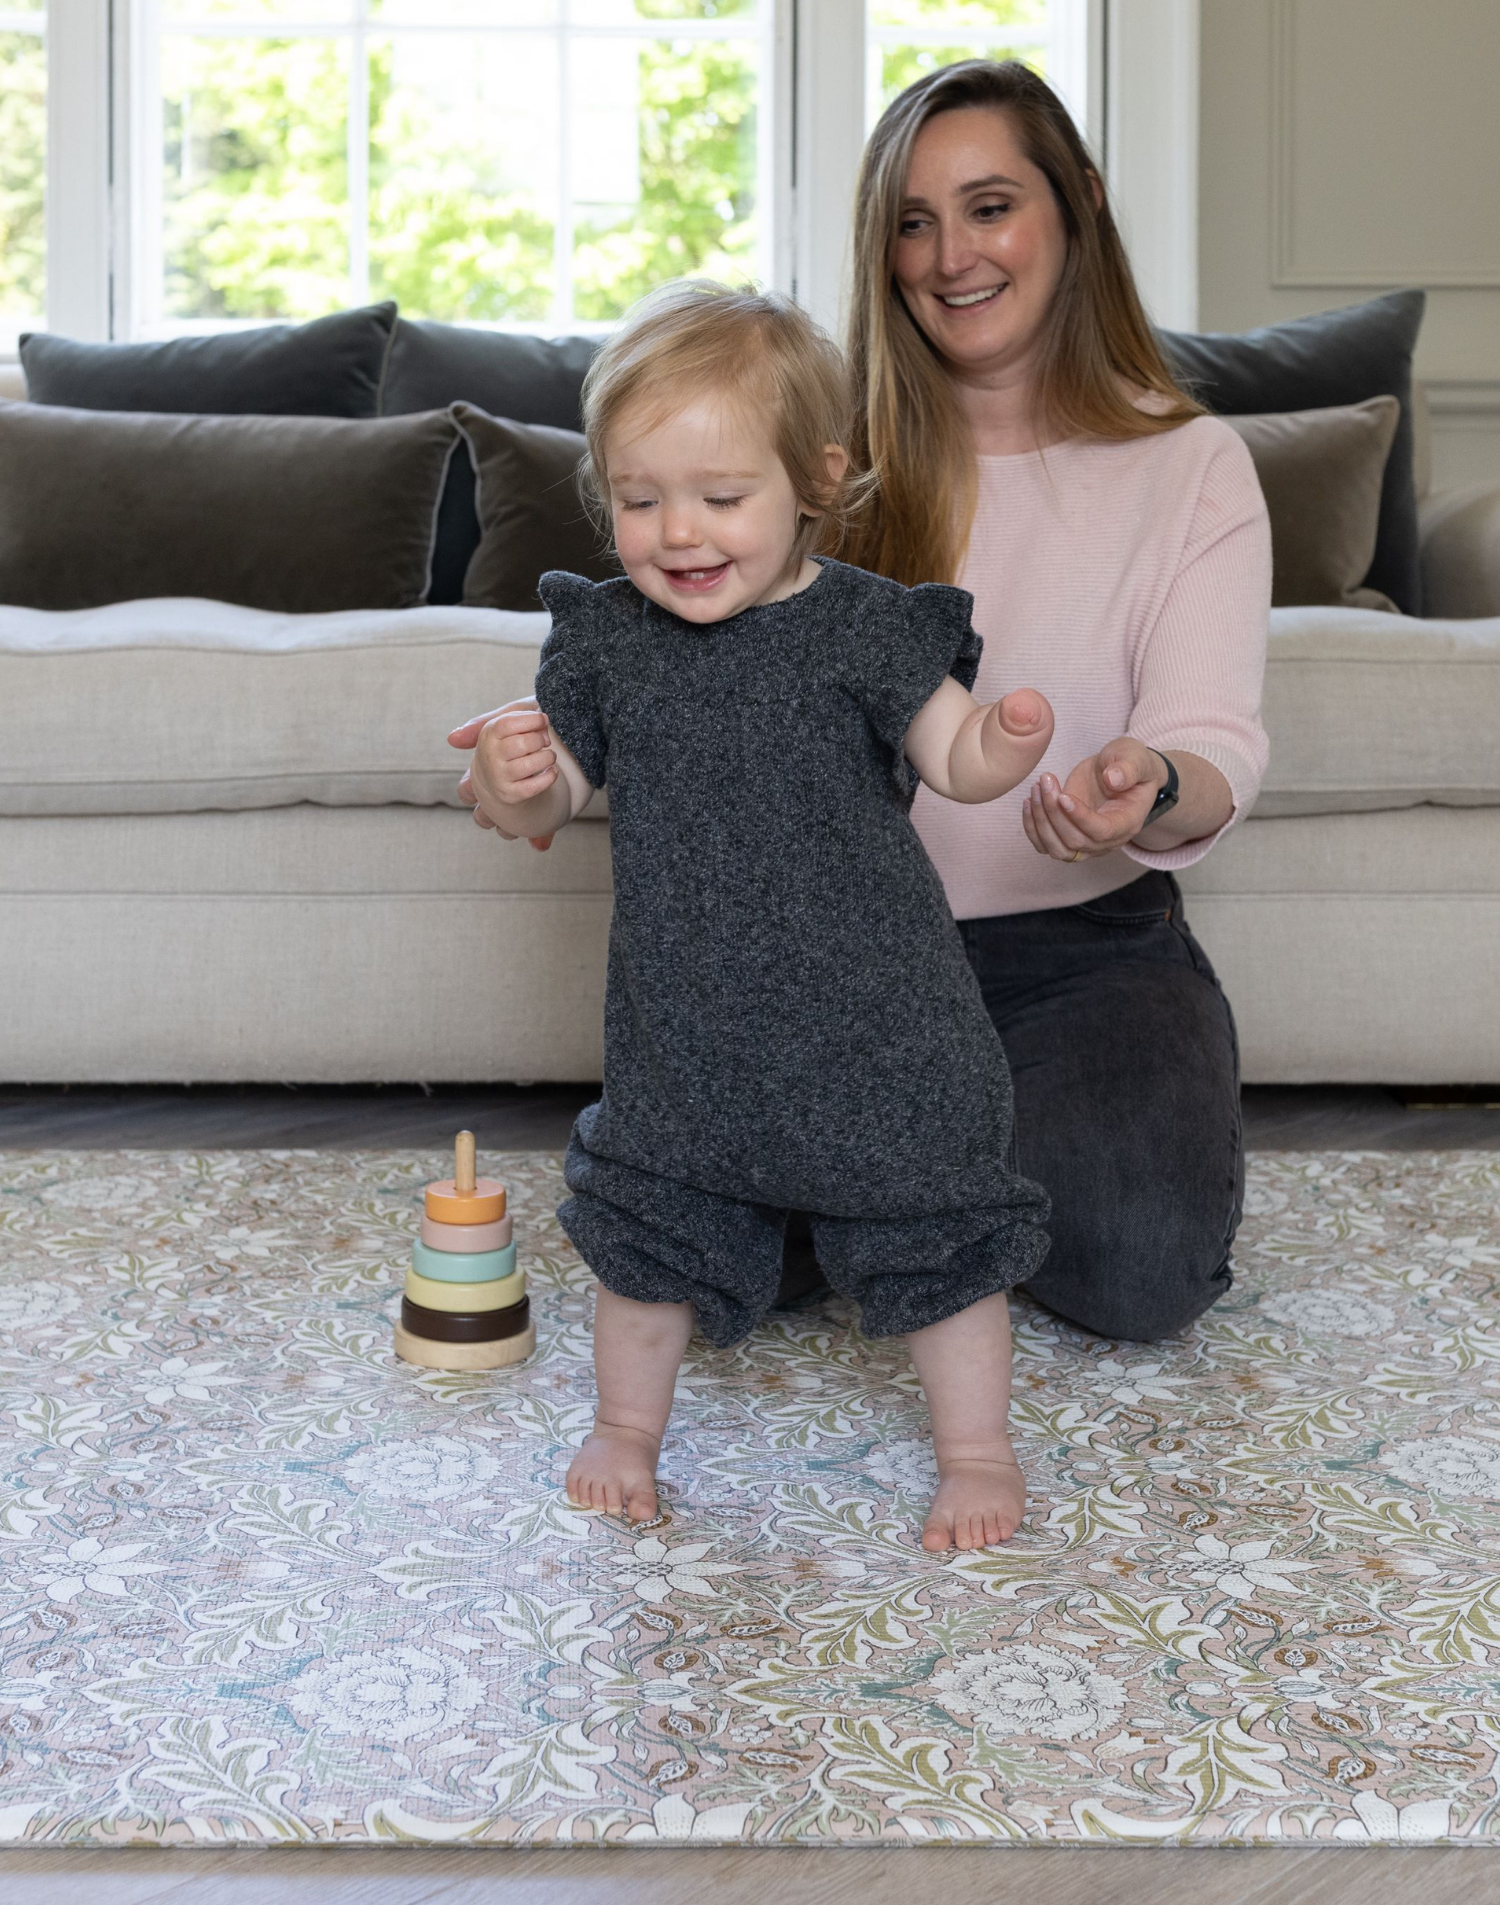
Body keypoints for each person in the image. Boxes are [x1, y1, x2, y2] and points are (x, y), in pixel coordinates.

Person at [448, 280, 1057, 1552]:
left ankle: (976, 1449)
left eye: (722, 499)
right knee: (649, 1236)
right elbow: (550, 797)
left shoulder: (868, 628)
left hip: (882, 1026)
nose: (679, 533)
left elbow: (953, 762)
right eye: (638, 499)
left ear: (815, 481)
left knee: (936, 1228)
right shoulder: (608, 641)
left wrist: (1002, 743)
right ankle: (627, 1431)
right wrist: (512, 781)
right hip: (691, 1036)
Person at [781, 58, 1272, 1342]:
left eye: (990, 206)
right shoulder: (830, 465)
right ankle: (934, 1172)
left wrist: (1147, 788)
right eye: (913, 220)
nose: (952, 256)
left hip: (1084, 962)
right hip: (847, 960)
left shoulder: (1192, 463)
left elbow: (1211, 743)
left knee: (1141, 1265)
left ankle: (910, 1179)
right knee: (698, 1250)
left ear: (1079, 206)